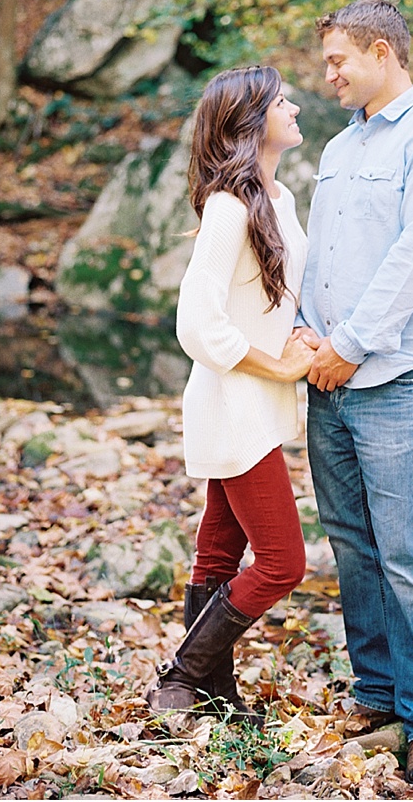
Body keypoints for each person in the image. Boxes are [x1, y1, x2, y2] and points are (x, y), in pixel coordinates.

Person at [295, 0, 413, 786]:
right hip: (327, 375)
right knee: (351, 542)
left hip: (398, 375)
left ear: (381, 51)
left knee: (407, 551)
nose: (328, 75)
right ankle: (378, 694)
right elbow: (320, 252)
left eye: (339, 61)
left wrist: (350, 345)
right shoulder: (339, 147)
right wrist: (307, 333)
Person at [146, 65, 315, 726]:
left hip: (255, 402)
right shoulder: (228, 207)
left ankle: (212, 693)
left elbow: (269, 296)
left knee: (218, 554)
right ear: (251, 121)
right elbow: (195, 322)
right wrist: (275, 365)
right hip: (233, 401)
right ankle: (181, 674)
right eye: (282, 101)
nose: (296, 106)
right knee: (281, 562)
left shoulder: (281, 199)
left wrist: (295, 330)